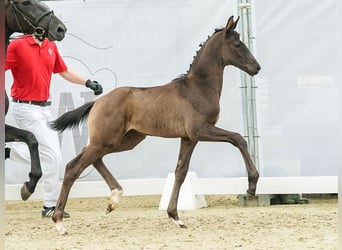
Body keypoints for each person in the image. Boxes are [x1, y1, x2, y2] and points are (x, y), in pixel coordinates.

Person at [5, 33, 103, 218]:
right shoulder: (17, 45)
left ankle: (9, 152)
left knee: (51, 156)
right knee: (53, 156)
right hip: (25, 109)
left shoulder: (50, 45)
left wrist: (87, 82)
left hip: (44, 109)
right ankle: (49, 206)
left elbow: (63, 71)